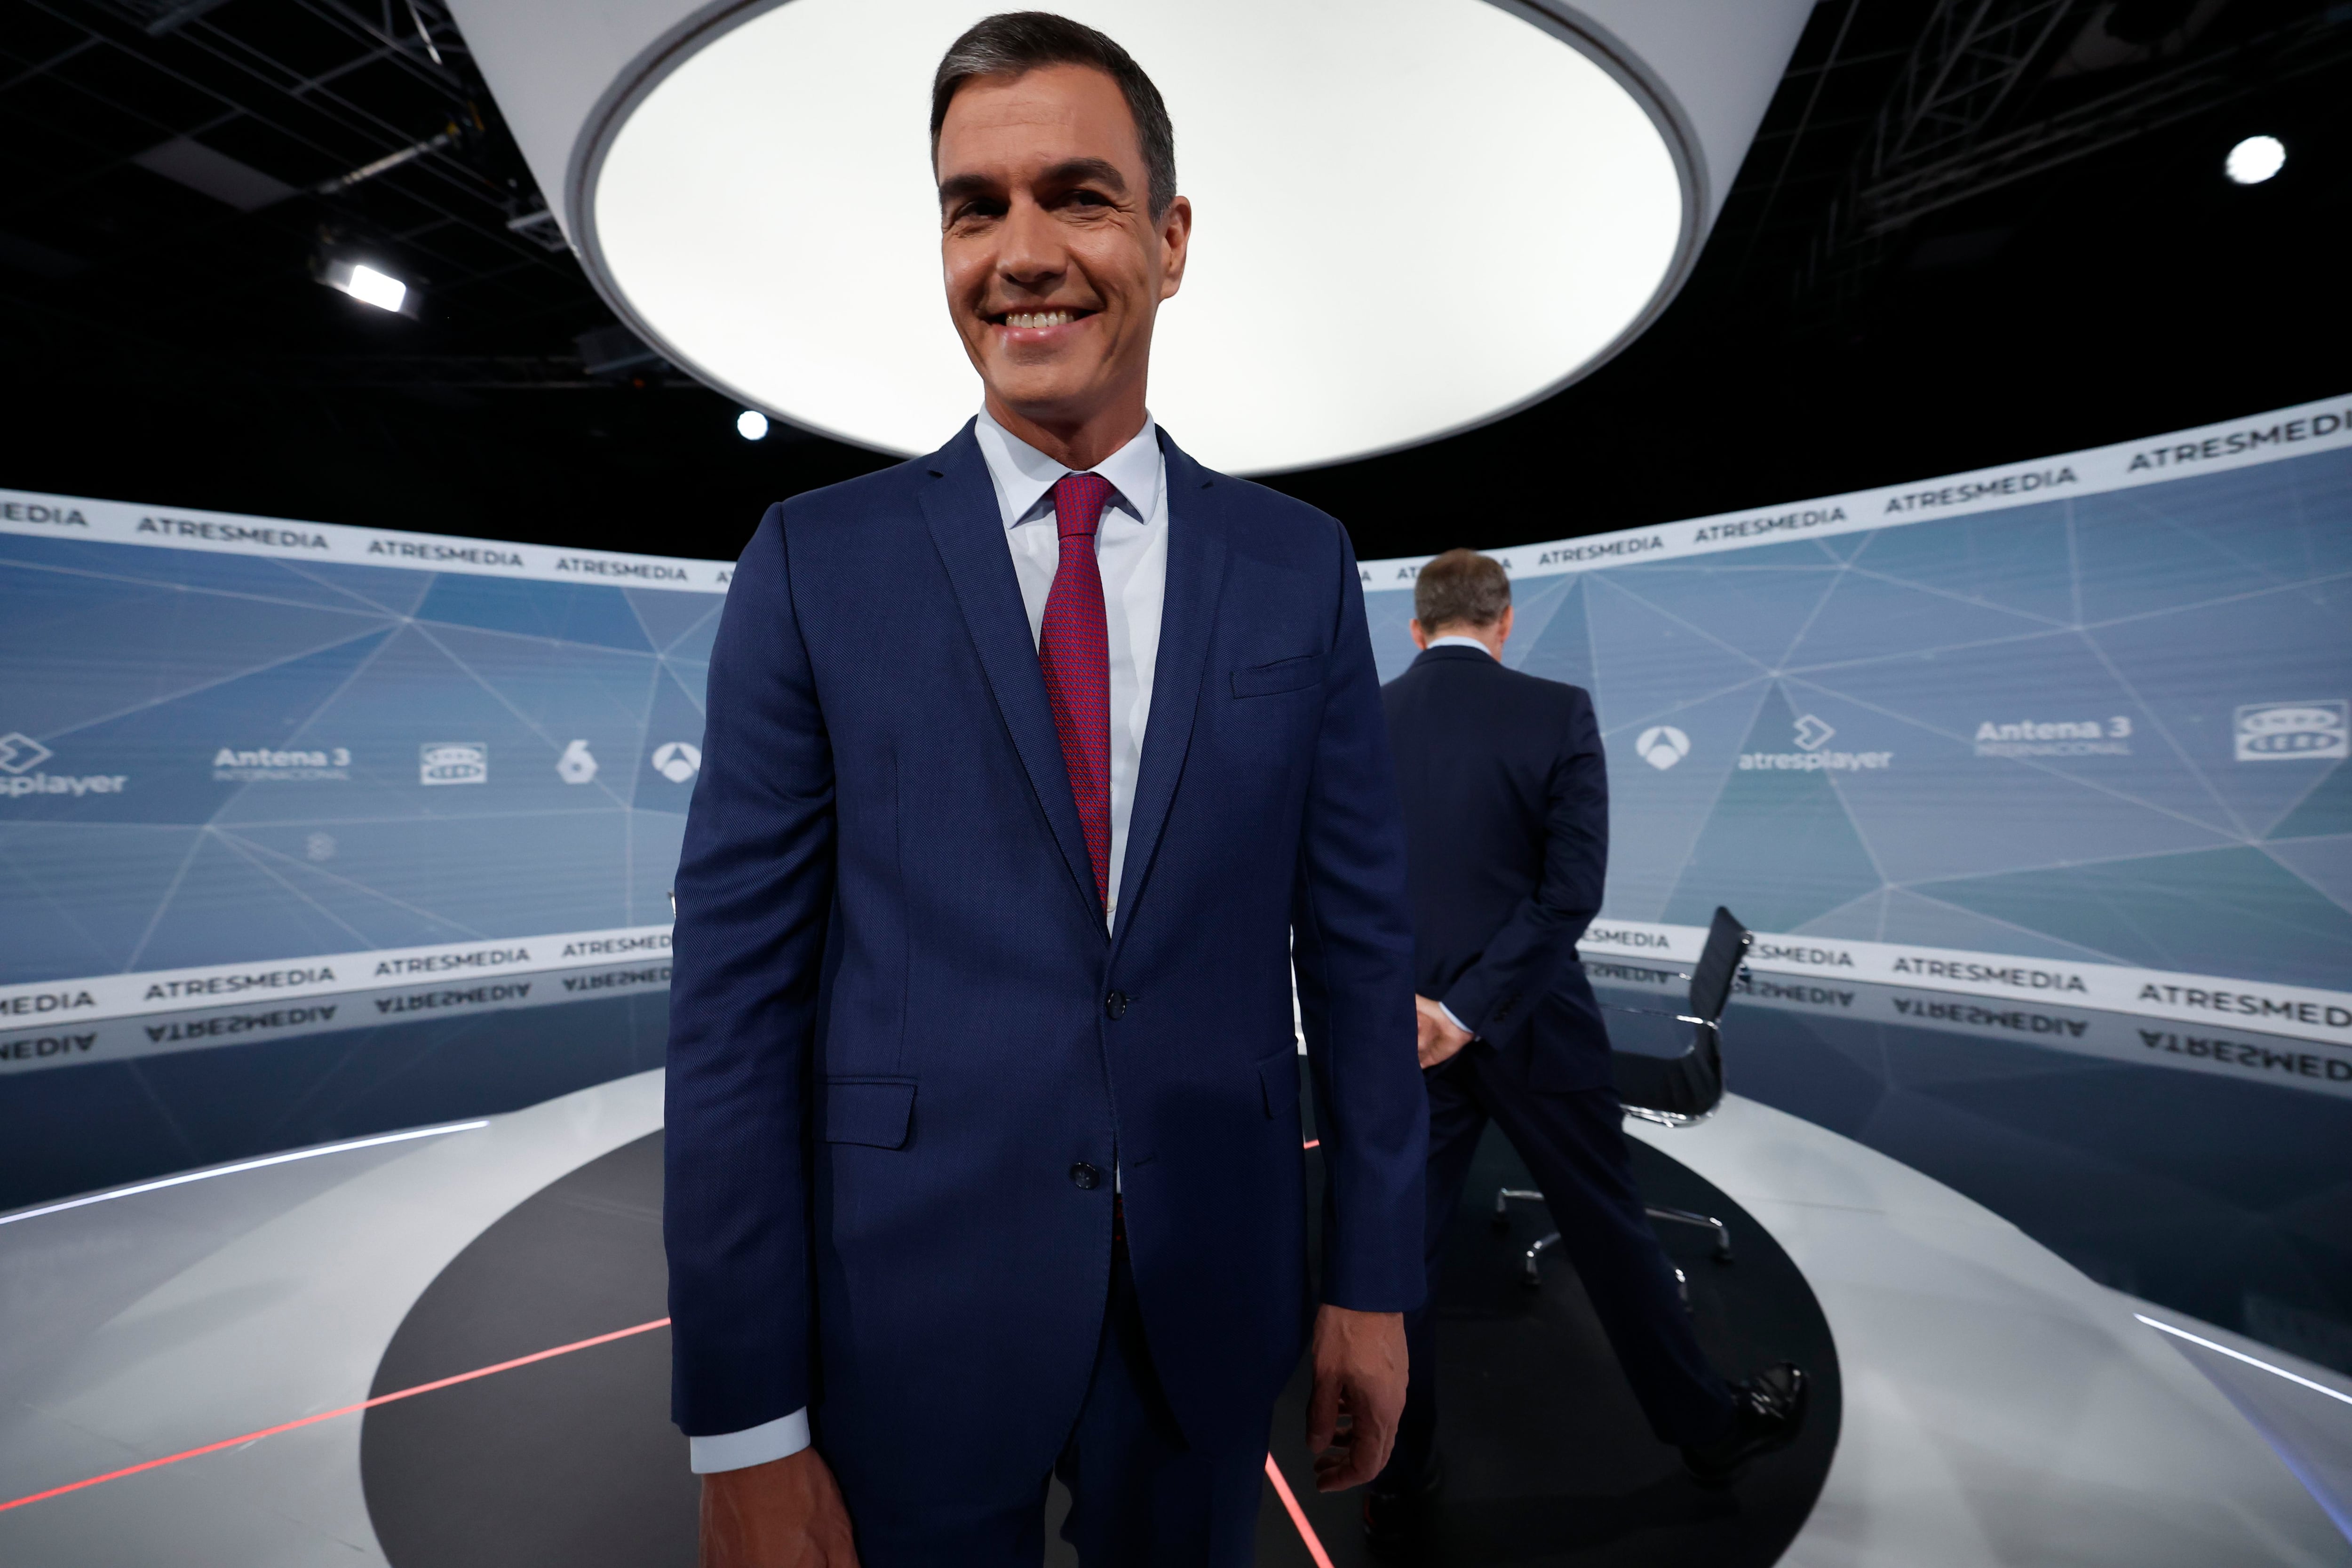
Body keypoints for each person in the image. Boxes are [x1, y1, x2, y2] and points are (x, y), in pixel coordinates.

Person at [664, 14, 1428, 1566]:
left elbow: (1358, 960)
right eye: (974, 206)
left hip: (1215, 1309)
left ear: (1171, 235)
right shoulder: (814, 563)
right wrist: (743, 1421)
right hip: (905, 1314)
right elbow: (733, 1010)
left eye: (1076, 195)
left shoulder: (1299, 571)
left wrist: (1374, 1277)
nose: (1020, 252)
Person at [1366, 549, 1807, 1553]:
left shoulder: (1365, 721)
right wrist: (1475, 1007)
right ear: (1505, 620)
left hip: (1408, 1031)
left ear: (1415, 626)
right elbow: (1569, 892)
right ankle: (1708, 1431)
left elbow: (1339, 893)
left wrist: (1419, 1007)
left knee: (1401, 1257)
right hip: (1531, 1022)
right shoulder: (1558, 710)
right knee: (1609, 1230)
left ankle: (1394, 1472)